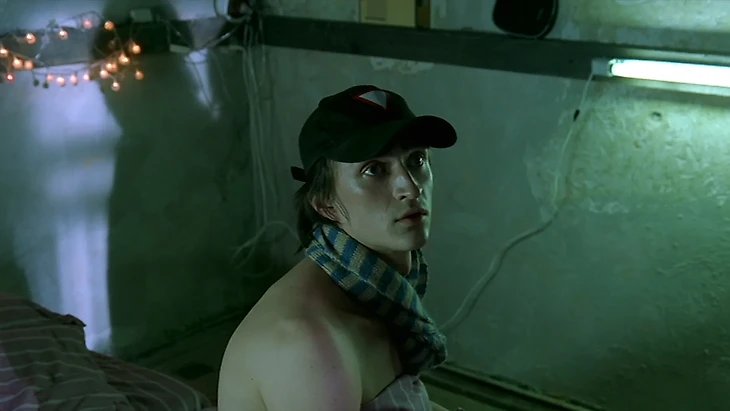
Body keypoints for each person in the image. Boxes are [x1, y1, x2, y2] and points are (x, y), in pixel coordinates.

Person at [217, 85, 458, 411]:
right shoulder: (310, 346)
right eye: (374, 170)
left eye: (416, 160)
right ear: (326, 204)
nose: (410, 188)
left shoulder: (381, 292)